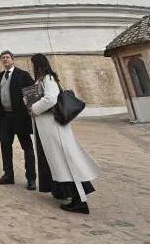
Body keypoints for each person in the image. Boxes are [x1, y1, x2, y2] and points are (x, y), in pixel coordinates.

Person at [29, 53, 99, 214]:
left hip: (55, 128)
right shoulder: (42, 79)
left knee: (66, 161)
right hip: (48, 128)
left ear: (38, 65)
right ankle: (64, 192)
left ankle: (80, 201)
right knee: (59, 162)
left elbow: (51, 99)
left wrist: (34, 108)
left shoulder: (48, 79)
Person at [0, 50, 36, 190]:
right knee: (5, 146)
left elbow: (33, 93)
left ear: (13, 59)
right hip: (5, 117)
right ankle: (8, 175)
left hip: (20, 117)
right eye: (2, 58)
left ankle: (31, 179)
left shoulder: (23, 75)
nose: (5, 59)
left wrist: (32, 110)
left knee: (27, 148)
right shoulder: (0, 76)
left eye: (7, 57)